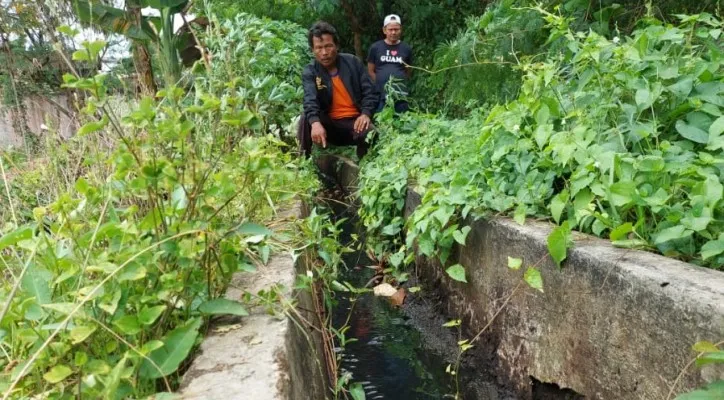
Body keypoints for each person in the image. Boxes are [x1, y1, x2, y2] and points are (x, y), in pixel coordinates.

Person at [299, 21, 379, 159]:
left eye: (328, 46)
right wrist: (315, 123)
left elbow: (369, 92)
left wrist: (365, 114)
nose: (324, 53)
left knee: (369, 131)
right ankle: (302, 162)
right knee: (306, 118)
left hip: (354, 123)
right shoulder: (311, 71)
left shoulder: (353, 62)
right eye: (319, 48)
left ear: (337, 46)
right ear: (312, 50)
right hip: (329, 126)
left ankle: (365, 165)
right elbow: (309, 98)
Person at [367, 14, 413, 113]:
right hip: (381, 94)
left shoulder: (406, 48)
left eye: (396, 29)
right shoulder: (375, 47)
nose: (393, 32)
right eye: (390, 29)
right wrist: (380, 84)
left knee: (402, 120)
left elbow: (408, 70)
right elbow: (370, 71)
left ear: (400, 30)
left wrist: (400, 82)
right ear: (384, 30)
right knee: (382, 120)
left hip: (401, 94)